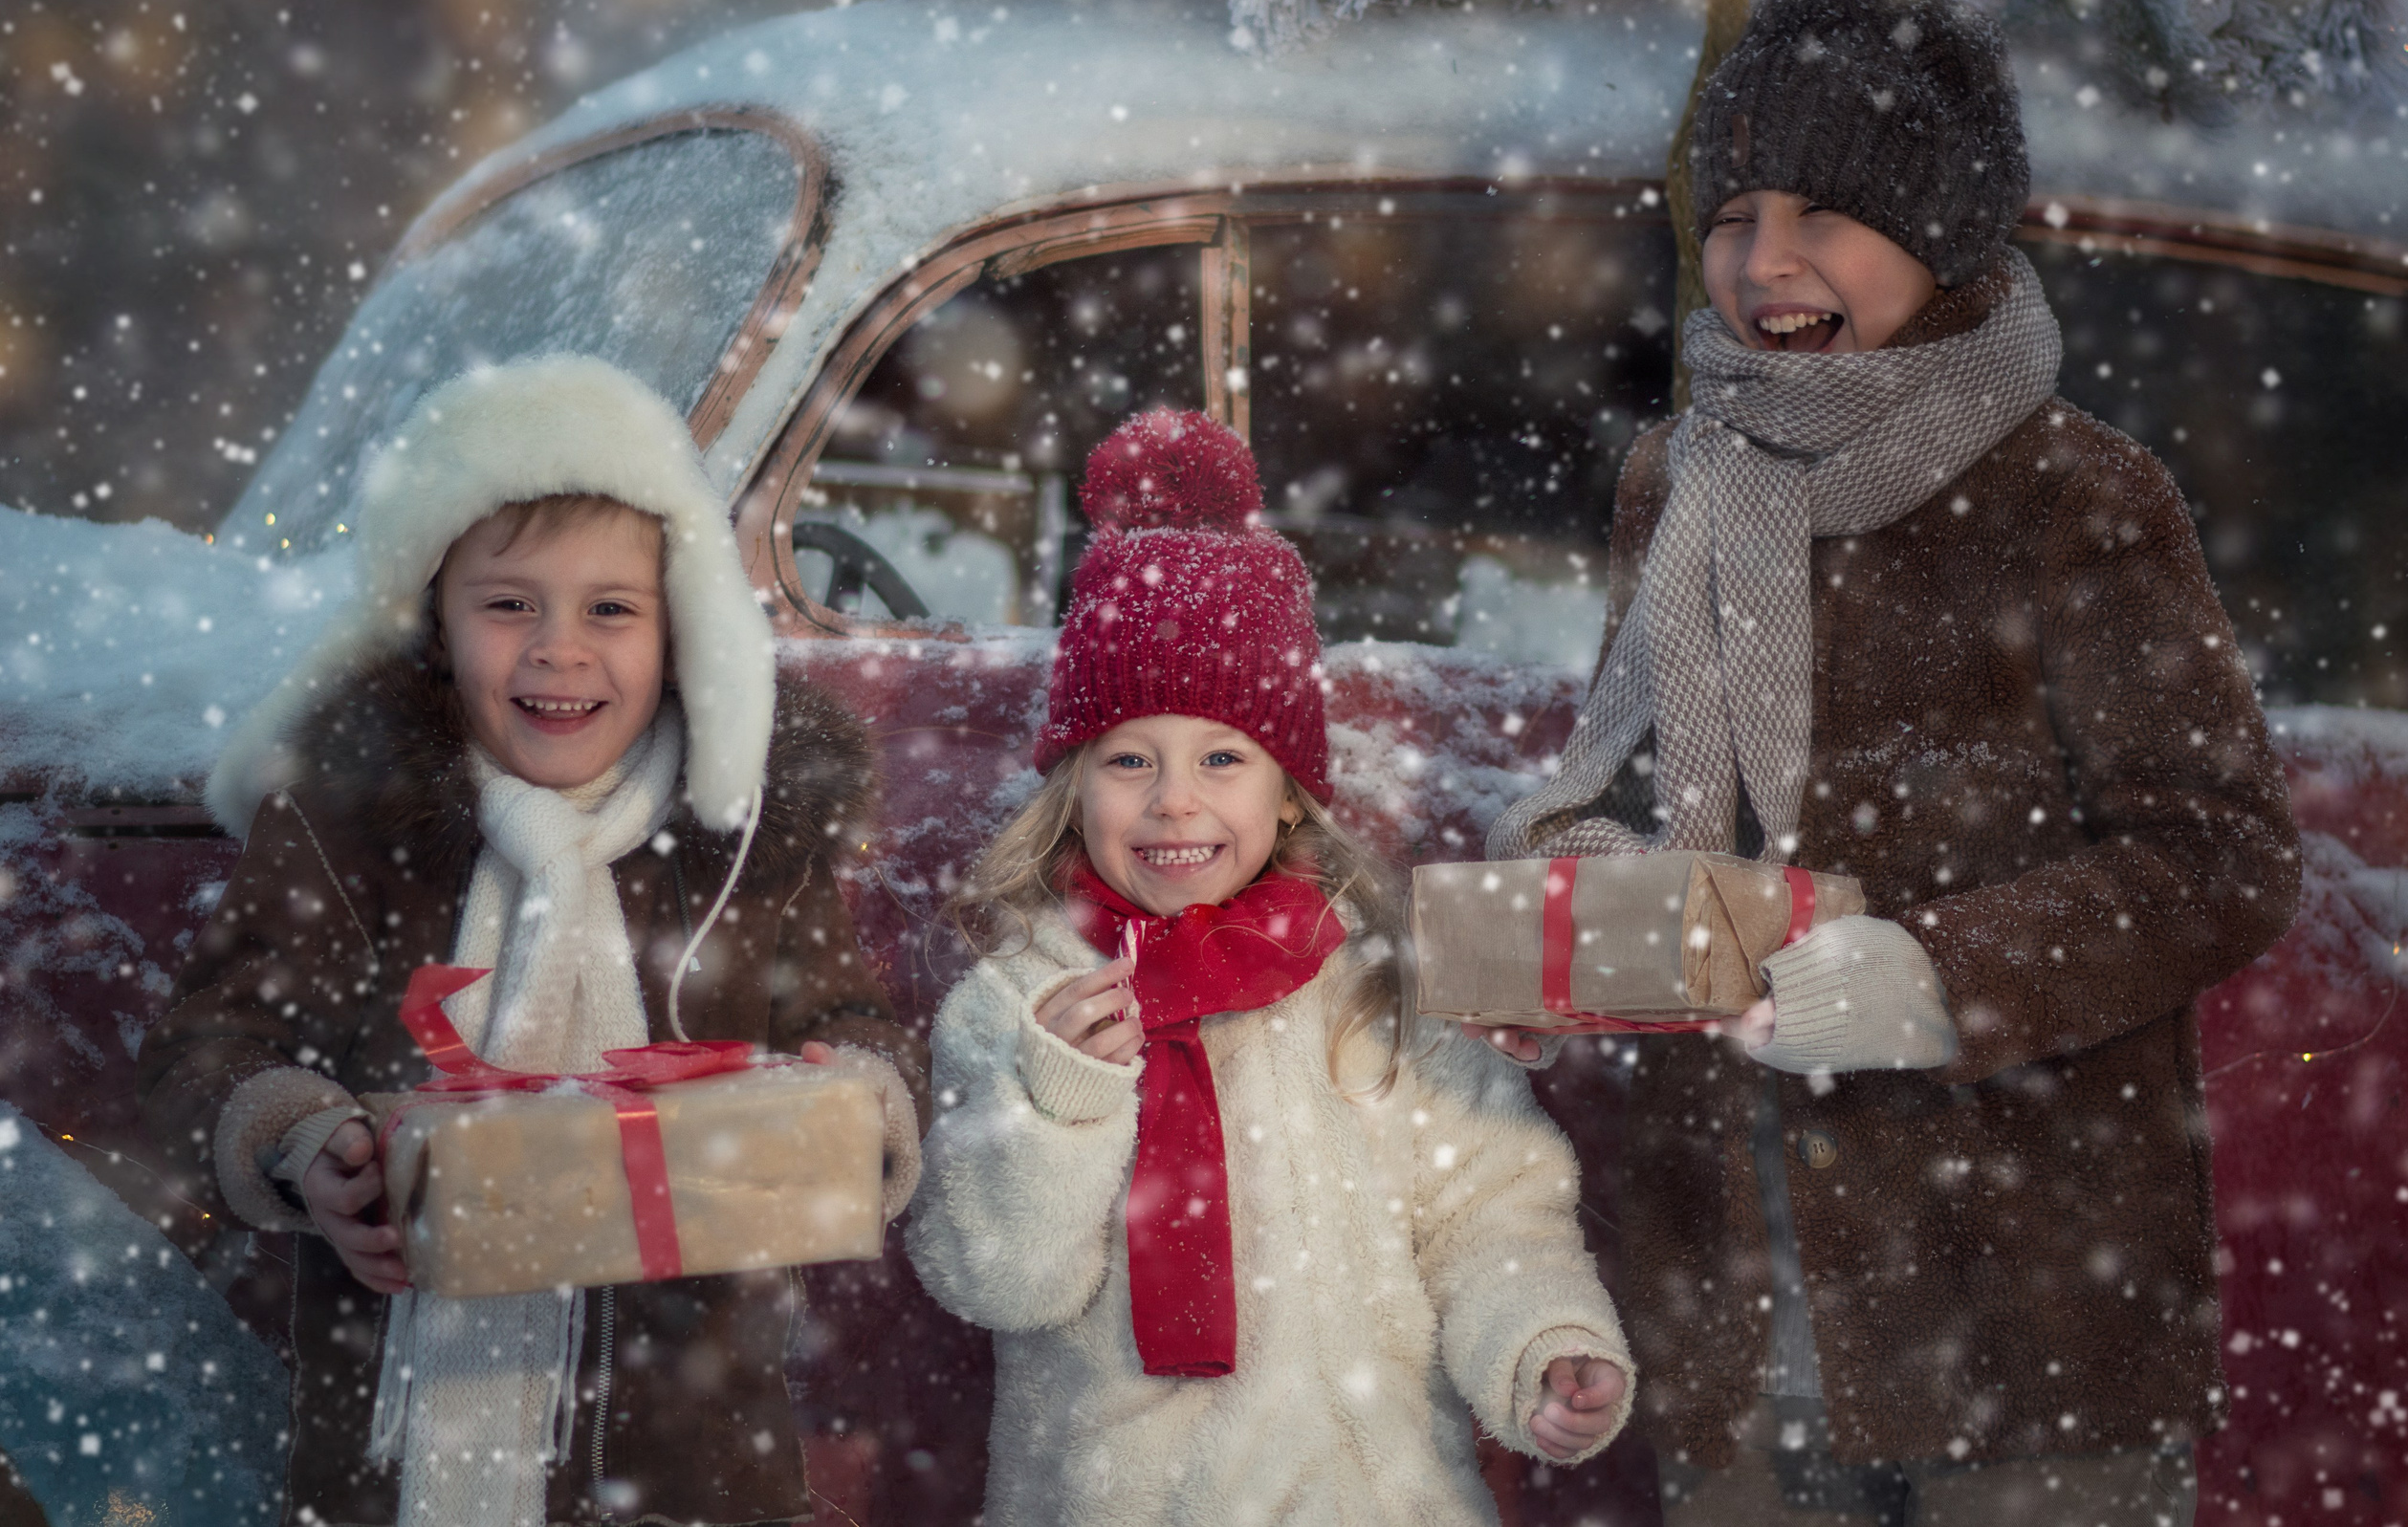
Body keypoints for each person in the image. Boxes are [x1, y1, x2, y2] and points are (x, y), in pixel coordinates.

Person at [1484, 0, 2300, 1527]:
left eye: (1822, 215)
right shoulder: (1685, 474)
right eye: (1733, 215)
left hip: (2025, 1316)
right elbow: (1640, 785)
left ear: (1938, 235)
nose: (1764, 260)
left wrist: (1938, 971)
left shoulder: (2081, 498)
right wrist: (1568, 908)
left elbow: (2221, 856)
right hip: (1735, 1292)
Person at [138, 355, 928, 1527]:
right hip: (399, 1441)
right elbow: (211, 1045)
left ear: (680, 630)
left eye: (611, 608)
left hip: (685, 1446)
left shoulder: (741, 839)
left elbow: (847, 1022)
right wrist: (302, 1145)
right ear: (436, 624)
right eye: (509, 604)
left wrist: (849, 1096)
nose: (560, 648)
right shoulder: (349, 826)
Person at [908, 408, 1632, 1524]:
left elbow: (1489, 1211)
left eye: (1222, 757)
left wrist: (1541, 1341)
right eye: (1128, 759)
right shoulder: (1019, 1003)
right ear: (1072, 788)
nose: (1173, 799)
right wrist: (1062, 1108)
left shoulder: (1367, 990)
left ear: (1288, 788)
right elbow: (996, 1277)